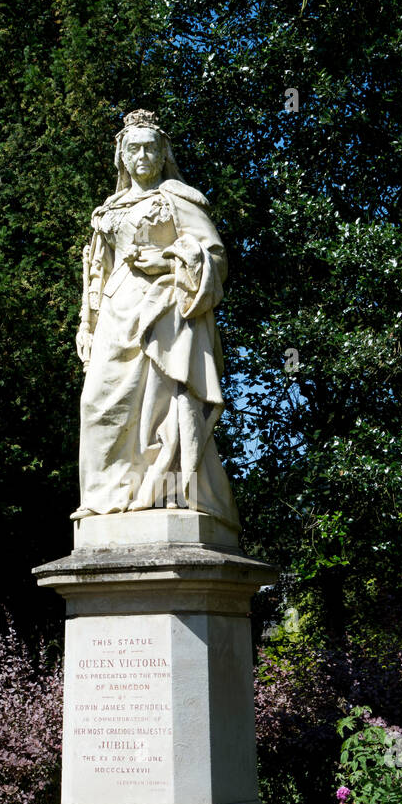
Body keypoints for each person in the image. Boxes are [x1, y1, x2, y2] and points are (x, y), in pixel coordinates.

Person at [73, 108, 239, 530]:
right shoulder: (109, 209)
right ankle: (104, 499)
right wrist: (86, 325)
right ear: (122, 157)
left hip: (166, 309)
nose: (143, 156)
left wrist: (166, 261)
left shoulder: (178, 199)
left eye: (150, 148)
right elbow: (97, 271)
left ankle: (156, 493)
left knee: (159, 406)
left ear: (163, 152)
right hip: (115, 310)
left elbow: (213, 257)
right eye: (135, 149)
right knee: (97, 402)